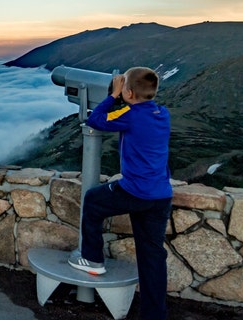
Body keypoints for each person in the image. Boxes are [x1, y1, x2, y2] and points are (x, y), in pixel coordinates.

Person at [67, 67, 173, 320]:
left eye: (123, 87)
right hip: (160, 196)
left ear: (128, 92)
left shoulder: (131, 113)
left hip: (135, 191)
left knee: (93, 200)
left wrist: (113, 96)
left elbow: (96, 120)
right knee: (152, 256)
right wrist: (123, 92)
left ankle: (92, 260)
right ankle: (154, 315)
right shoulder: (163, 113)